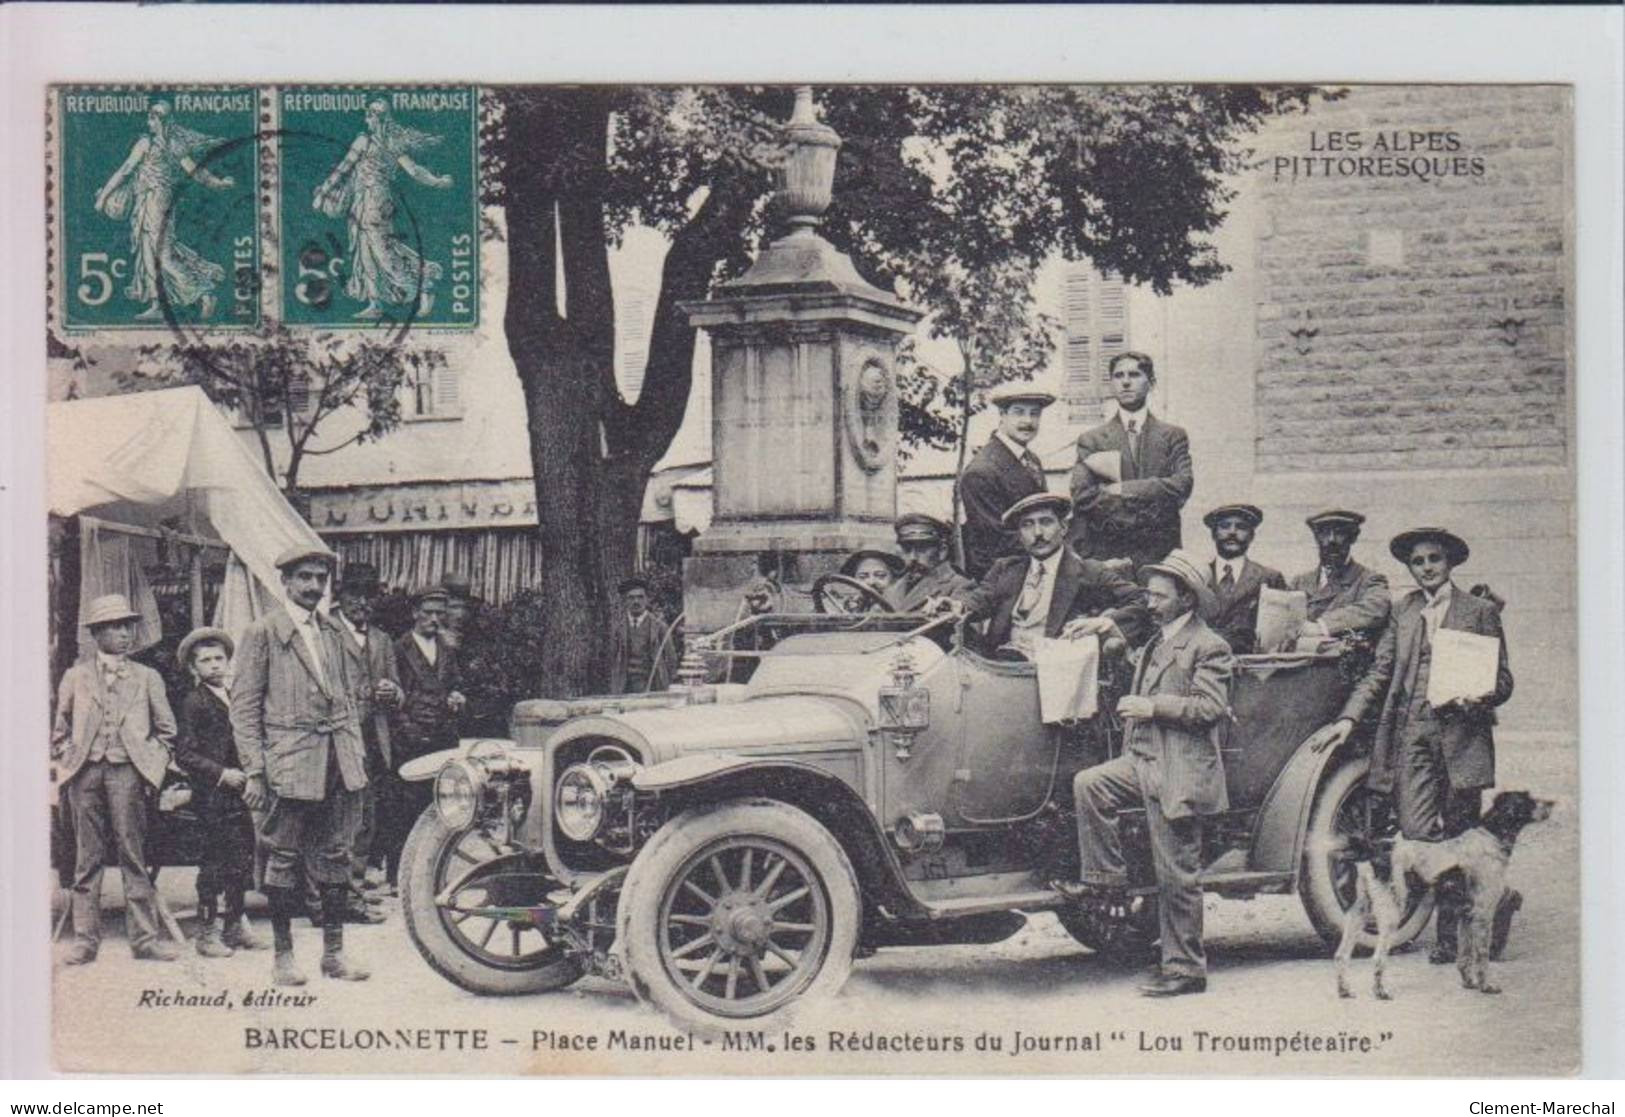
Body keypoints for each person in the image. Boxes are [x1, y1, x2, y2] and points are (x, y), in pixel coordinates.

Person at [1305, 528, 1518, 963]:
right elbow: (1381, 673)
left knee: (1460, 836)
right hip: (1412, 736)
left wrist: (1479, 696)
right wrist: (1348, 719)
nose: (1427, 568)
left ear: (1451, 563)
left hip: (1462, 737)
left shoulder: (1478, 611)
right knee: (1419, 835)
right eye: (1418, 562)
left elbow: (1503, 680)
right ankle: (1498, 902)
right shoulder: (1403, 612)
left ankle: (1451, 936)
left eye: (1434, 559)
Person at [1059, 551, 1235, 997]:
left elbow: (1210, 708)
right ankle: (1107, 885)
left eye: (1159, 596)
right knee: (1089, 784)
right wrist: (1108, 633)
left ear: (1185, 600)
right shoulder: (1159, 640)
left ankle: (1186, 969)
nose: (1150, 603)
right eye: (1150, 595)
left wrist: (1152, 707)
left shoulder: (1208, 645)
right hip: (1141, 760)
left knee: (1177, 874)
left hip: (1178, 769)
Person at [231, 545, 370, 985]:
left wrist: (355, 751)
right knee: (283, 860)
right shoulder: (263, 632)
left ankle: (333, 955)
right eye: (304, 577)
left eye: (320, 578)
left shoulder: (332, 631)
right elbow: (244, 709)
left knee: (336, 857)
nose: (313, 586)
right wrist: (256, 768)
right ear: (285, 582)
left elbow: (348, 695)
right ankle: (283, 958)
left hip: (338, 762)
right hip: (289, 765)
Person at [50, 594, 180, 964]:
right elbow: (59, 730)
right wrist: (68, 762)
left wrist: (149, 766)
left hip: (127, 773)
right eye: (115, 627)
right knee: (85, 858)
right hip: (84, 774)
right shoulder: (75, 676)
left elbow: (168, 731)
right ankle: (85, 940)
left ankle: (145, 939)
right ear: (96, 634)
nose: (125, 634)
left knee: (132, 854)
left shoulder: (147, 677)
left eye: (128, 626)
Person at [946, 492, 1149, 661]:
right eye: (1027, 525)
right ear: (1019, 535)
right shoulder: (1006, 569)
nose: (1038, 533)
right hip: (1002, 670)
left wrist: (1105, 623)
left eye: (1046, 522)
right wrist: (958, 606)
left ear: (1063, 528)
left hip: (1057, 673)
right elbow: (980, 598)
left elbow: (1143, 600)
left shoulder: (1089, 571)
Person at [312, 99, 454, 320]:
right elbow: (415, 171)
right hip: (370, 201)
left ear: (374, 118)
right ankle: (375, 303)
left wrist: (322, 193)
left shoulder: (365, 140)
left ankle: (425, 285)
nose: (366, 119)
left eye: (368, 115)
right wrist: (437, 181)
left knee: (382, 251)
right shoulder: (391, 142)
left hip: (371, 202)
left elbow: (342, 169)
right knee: (366, 251)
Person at [174, 627, 267, 958]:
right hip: (212, 795)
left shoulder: (235, 696)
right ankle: (207, 932)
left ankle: (234, 927)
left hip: (238, 794)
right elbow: (184, 753)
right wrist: (220, 773)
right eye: (205, 661)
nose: (214, 665)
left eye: (219, 658)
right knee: (213, 863)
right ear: (193, 668)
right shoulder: (194, 702)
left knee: (241, 860)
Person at [94, 102, 234, 321]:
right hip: (150, 201)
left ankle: (204, 294)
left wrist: (103, 198)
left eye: (152, 117)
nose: (149, 121)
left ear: (160, 120)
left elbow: (125, 171)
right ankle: (157, 303)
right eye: (149, 117)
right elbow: (196, 172)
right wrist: (218, 183)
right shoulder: (169, 143)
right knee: (148, 253)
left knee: (164, 256)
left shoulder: (148, 143)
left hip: (156, 201)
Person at [1067, 352, 1193, 569]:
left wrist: (1123, 489)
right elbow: (1083, 496)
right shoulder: (1092, 440)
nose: (1125, 382)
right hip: (1110, 553)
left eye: (1134, 375)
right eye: (1118, 376)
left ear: (1151, 383)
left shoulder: (1173, 436)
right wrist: (1151, 497)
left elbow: (1182, 484)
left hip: (1160, 552)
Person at [331, 563, 402, 922]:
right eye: (355, 594)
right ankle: (337, 898)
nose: (362, 602)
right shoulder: (326, 633)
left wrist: (392, 691)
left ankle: (353, 892)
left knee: (366, 822)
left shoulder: (382, 639)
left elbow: (397, 689)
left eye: (368, 595)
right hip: (340, 741)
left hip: (376, 740)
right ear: (340, 597)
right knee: (341, 822)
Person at [387, 586, 467, 887]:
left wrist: (457, 696)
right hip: (410, 738)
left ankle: (434, 871)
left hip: (442, 736)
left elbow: (455, 684)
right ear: (415, 613)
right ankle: (399, 874)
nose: (434, 619)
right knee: (404, 807)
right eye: (428, 612)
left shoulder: (447, 650)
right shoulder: (399, 648)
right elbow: (393, 694)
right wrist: (406, 729)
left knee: (440, 802)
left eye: (440, 614)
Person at [958, 382, 1056, 580]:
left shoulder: (1031, 460)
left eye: (1035, 414)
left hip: (1034, 565)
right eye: (1019, 413)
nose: (1028, 421)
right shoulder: (982, 471)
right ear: (1002, 416)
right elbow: (997, 539)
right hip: (1001, 577)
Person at [1285, 510, 1392, 646]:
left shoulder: (1370, 580)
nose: (1331, 540)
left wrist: (1322, 626)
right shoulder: (1299, 582)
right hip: (1300, 664)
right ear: (1316, 538)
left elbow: (1376, 608)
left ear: (1352, 538)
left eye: (1339, 533)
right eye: (1324, 533)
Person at [1198, 503, 1287, 654]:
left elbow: (1282, 632)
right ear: (1213, 534)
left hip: (1252, 669)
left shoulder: (1269, 578)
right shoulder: (1197, 576)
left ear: (1251, 536)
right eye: (1225, 526)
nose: (1232, 532)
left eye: (1241, 527)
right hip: (1202, 664)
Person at [886, 514, 974, 612]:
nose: (913, 557)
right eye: (907, 550)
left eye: (921, 549)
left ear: (942, 551)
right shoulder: (892, 589)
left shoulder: (960, 586)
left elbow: (964, 624)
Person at [608, 576, 679, 693]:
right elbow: (612, 657)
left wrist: (666, 683)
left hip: (653, 684)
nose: (636, 601)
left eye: (640, 597)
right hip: (624, 685)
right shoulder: (618, 628)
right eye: (631, 598)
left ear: (647, 600)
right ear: (625, 601)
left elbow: (671, 658)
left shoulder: (659, 626)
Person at [830, 550, 906, 614]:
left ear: (893, 579)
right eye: (863, 577)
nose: (871, 582)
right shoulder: (842, 606)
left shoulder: (904, 605)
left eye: (880, 575)